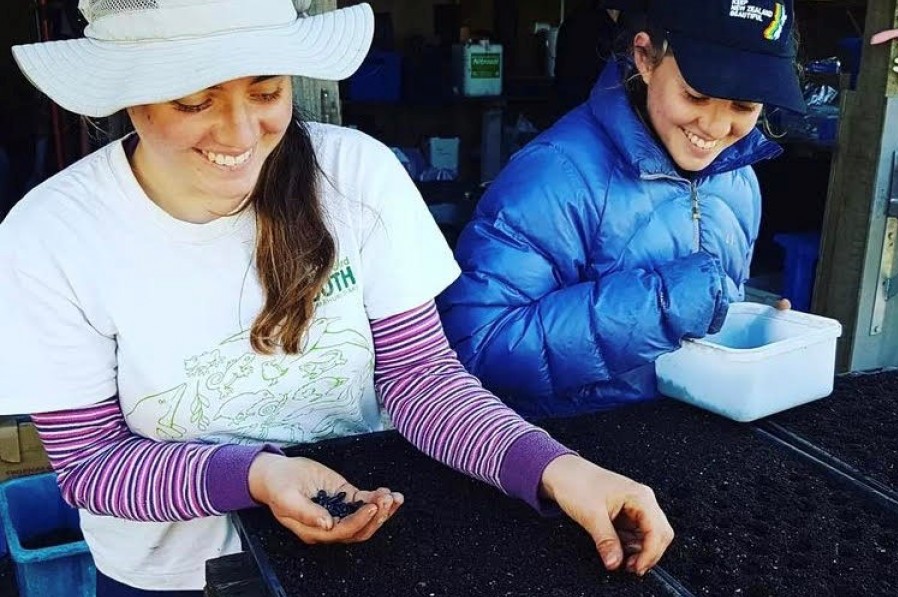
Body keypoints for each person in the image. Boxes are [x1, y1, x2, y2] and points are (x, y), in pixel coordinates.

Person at [0, 2, 673, 594]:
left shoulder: (356, 175)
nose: (239, 136)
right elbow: (92, 464)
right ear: (129, 95)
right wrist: (260, 475)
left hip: (369, 539)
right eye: (193, 101)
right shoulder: (51, 236)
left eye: (266, 91)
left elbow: (420, 378)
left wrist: (556, 468)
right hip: (172, 574)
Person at [438, 0, 804, 419]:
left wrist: (747, 328)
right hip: (573, 453)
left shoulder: (738, 178)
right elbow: (478, 347)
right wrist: (663, 305)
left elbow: (710, 307)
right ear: (645, 57)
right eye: (696, 95)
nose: (717, 128)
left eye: (744, 106)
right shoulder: (555, 175)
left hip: (689, 436)